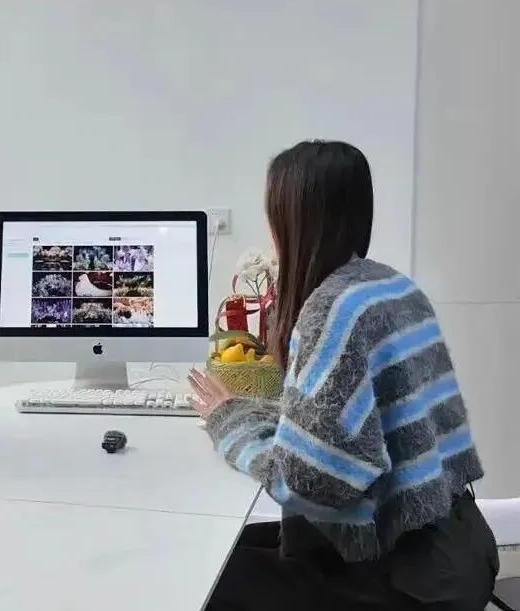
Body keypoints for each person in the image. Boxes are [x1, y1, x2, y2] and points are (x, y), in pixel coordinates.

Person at [189, 141, 498, 611]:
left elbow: (310, 483)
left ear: (291, 219)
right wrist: (252, 414)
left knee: (206, 573)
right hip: (461, 550)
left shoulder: (334, 311)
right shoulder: (391, 287)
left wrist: (227, 421)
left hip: (411, 582)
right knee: (236, 548)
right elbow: (345, 432)